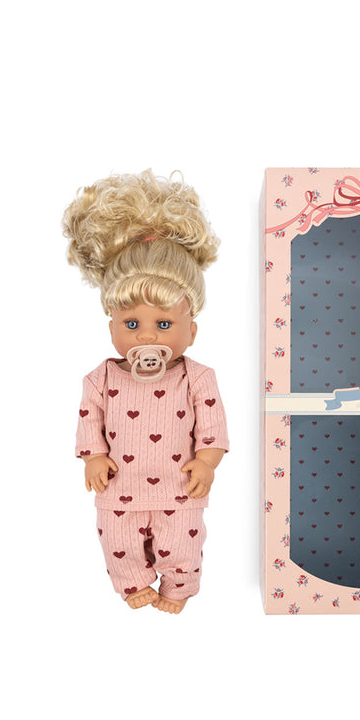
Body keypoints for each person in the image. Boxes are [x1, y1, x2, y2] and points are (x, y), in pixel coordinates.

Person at [63, 170, 228, 614]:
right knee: (118, 544)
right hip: (119, 490)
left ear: (191, 331)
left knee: (184, 545)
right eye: (132, 324)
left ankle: (179, 587)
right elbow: (89, 420)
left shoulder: (197, 377)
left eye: (164, 324)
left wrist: (207, 461)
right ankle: (133, 583)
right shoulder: (101, 378)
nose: (147, 336)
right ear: (112, 328)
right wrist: (94, 457)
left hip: (180, 490)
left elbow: (212, 425)